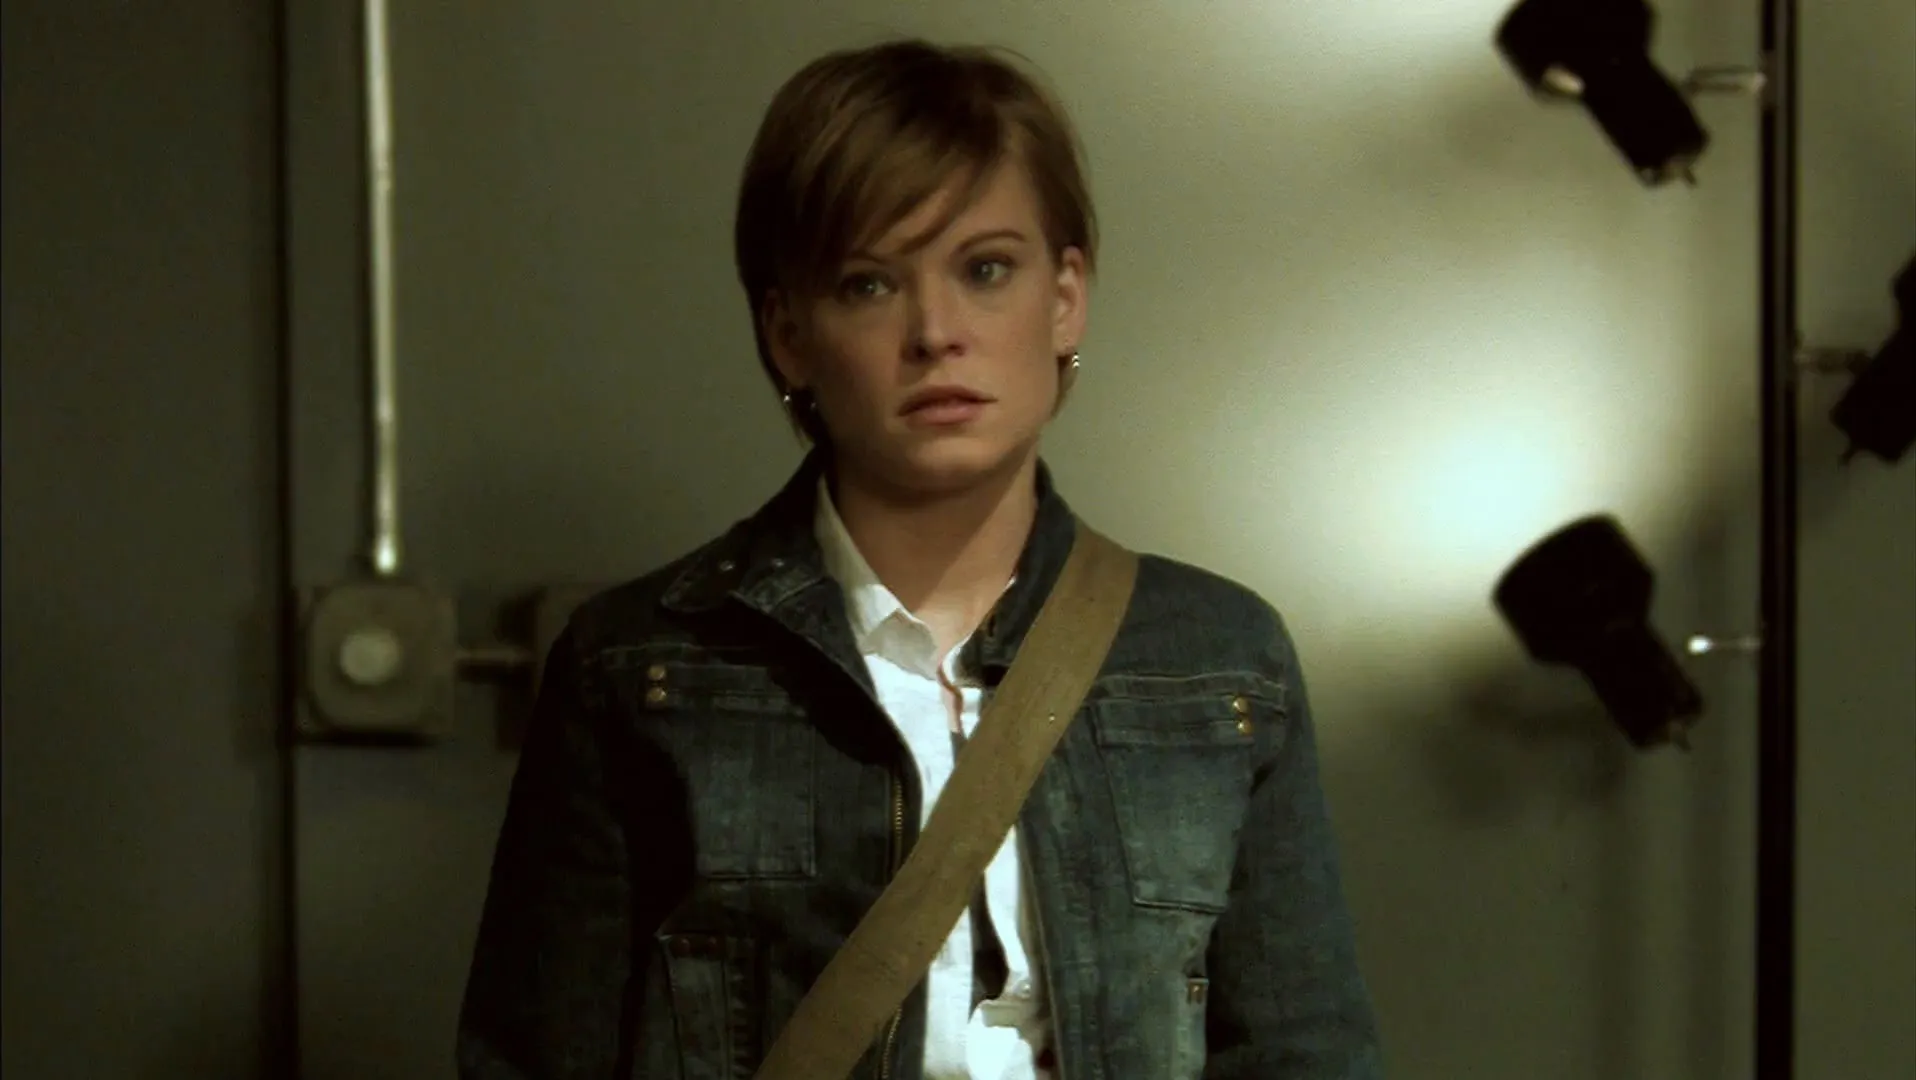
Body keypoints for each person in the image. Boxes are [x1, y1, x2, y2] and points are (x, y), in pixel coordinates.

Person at [457, 37, 1384, 1080]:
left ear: (1065, 297)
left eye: (985, 270)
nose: (936, 331)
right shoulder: (642, 667)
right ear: (789, 333)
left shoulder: (1216, 661)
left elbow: (1304, 1055)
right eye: (867, 285)